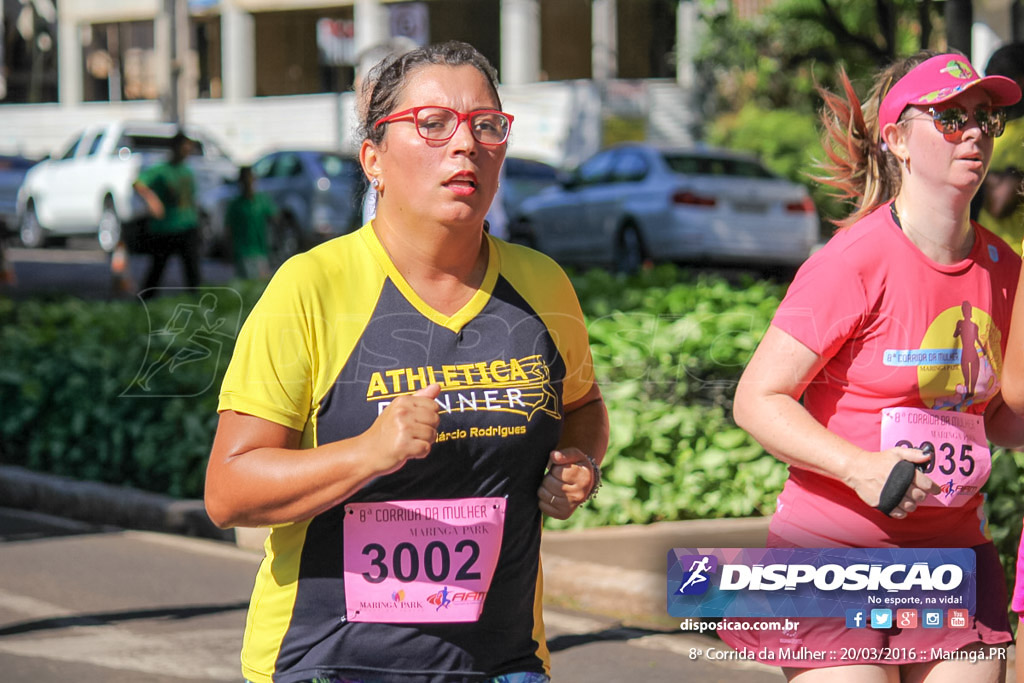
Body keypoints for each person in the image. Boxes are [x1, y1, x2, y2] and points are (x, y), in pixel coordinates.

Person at [204, 41, 608, 683]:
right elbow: (229, 491)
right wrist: (369, 451)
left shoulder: (543, 285)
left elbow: (583, 408)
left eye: (486, 125)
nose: (465, 145)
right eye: (433, 123)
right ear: (374, 160)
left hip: (505, 664)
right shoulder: (311, 287)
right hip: (330, 664)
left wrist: (581, 462)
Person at [722, 51, 1024, 682]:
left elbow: (997, 417)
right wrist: (859, 467)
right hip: (832, 554)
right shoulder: (854, 261)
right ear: (897, 140)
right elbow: (757, 399)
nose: (972, 132)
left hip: (951, 558)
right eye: (948, 118)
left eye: (983, 117)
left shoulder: (1007, 271)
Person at [132, 131, 201, 298]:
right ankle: (144, 302)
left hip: (187, 226)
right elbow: (138, 183)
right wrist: (152, 200)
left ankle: (197, 303)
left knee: (192, 271)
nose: (187, 152)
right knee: (157, 269)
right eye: (185, 148)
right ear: (176, 148)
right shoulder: (161, 170)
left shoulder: (187, 171)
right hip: (166, 228)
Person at [976, 42, 1024, 253]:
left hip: (1016, 259)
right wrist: (1000, 176)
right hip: (984, 256)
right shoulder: (983, 127)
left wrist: (981, 175)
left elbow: (999, 203)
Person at [226, 166, 275, 280]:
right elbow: (228, 229)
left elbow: (274, 218)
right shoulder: (236, 205)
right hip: (242, 253)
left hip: (261, 251)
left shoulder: (262, 200)